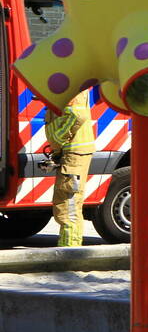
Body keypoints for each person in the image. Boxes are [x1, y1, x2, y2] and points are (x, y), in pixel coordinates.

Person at [44, 90, 95, 247]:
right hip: (71, 152)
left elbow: (76, 116)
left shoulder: (72, 84)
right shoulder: (71, 82)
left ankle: (69, 253)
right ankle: (70, 251)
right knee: (68, 204)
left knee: (68, 208)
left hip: (73, 153)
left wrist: (57, 139)